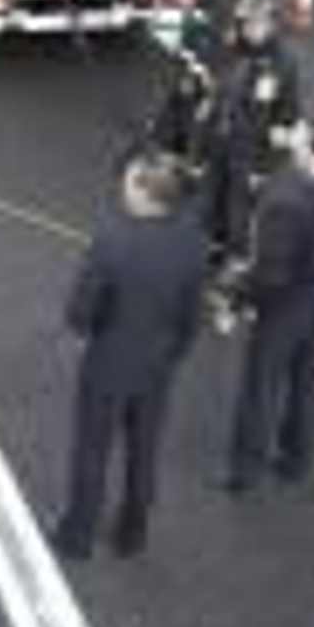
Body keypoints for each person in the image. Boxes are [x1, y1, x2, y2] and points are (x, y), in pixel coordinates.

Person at [51, 153, 208, 561]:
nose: (124, 183)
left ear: (143, 193)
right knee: (144, 448)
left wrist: (83, 334)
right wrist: (174, 352)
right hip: (158, 362)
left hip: (110, 359)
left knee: (92, 448)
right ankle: (132, 532)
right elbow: (193, 314)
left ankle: (78, 534)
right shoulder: (193, 240)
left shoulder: (112, 240)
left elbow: (81, 309)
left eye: (132, 179)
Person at [223, 120, 314, 493]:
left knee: (261, 387)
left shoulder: (289, 204)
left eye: (302, 139)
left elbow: (270, 274)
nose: (294, 140)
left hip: (288, 307)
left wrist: (236, 301)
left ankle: (245, 470)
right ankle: (296, 460)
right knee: (309, 383)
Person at [202, 0, 302, 270]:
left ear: (270, 26)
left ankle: (236, 261)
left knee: (240, 211)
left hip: (249, 151)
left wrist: (265, 167)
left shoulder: (283, 64)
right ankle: (210, 246)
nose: (249, 29)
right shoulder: (235, 48)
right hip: (220, 139)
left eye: (256, 24)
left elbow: (287, 119)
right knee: (210, 199)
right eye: (246, 23)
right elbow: (216, 91)